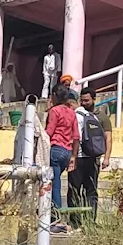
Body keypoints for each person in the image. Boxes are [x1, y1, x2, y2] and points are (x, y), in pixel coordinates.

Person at [69, 88, 111, 221]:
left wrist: (107, 157)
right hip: (86, 159)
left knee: (85, 191)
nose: (84, 103)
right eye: (81, 100)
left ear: (94, 99)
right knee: (79, 191)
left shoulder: (101, 117)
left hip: (89, 159)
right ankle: (79, 221)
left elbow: (108, 137)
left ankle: (87, 220)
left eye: (86, 100)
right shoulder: (82, 114)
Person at [45, 90, 79, 225]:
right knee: (56, 183)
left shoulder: (54, 111)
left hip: (55, 149)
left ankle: (55, 218)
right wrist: (73, 156)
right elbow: (76, 136)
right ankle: (55, 217)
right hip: (67, 152)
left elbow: (49, 131)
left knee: (54, 186)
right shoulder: (72, 113)